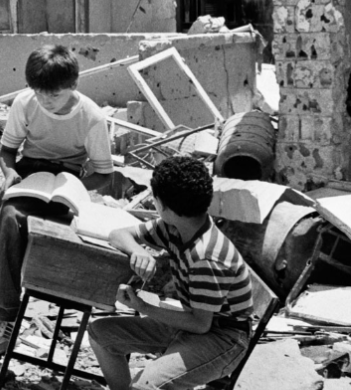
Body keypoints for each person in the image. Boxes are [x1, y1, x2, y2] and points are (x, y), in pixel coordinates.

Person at [0, 44, 116, 373]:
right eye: (40, 93)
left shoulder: (92, 117)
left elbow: (104, 174)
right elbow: (7, 152)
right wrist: (9, 173)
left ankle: (4, 315)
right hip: (28, 176)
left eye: (55, 95)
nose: (46, 100)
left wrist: (76, 189)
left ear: (73, 85)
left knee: (9, 222)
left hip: (68, 186)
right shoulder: (25, 104)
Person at [88, 157, 254, 390]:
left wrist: (143, 307)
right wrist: (138, 251)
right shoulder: (174, 227)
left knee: (145, 386)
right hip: (194, 322)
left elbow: (200, 325)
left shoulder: (206, 256)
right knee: (100, 334)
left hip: (223, 338)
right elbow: (118, 234)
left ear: (162, 204)